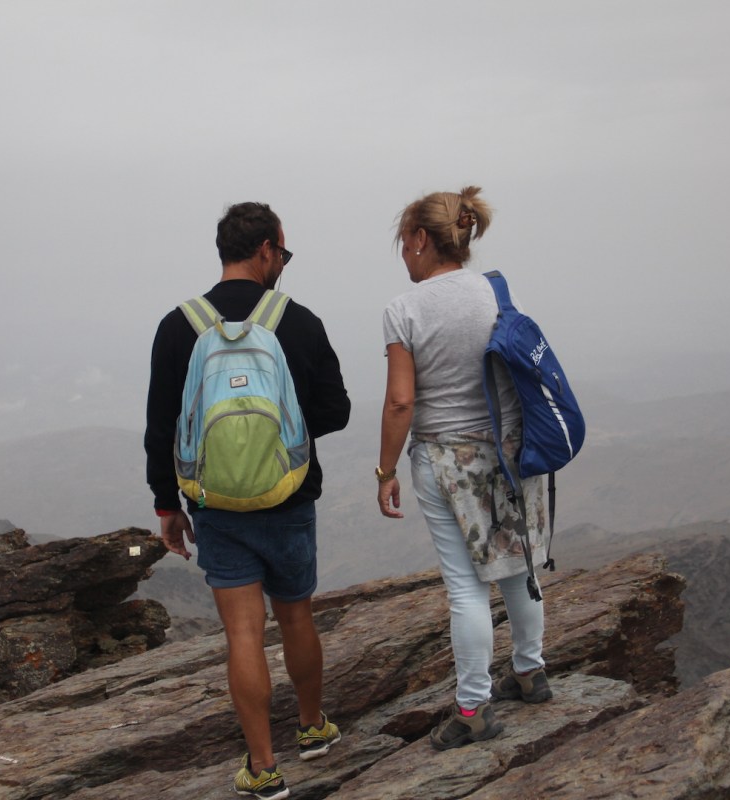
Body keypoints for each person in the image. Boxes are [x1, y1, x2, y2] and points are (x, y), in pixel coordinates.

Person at [145, 202, 351, 800]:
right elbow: (335, 411)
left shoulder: (178, 326)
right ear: (265, 250)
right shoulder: (300, 322)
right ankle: (312, 728)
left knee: (243, 633)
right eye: (283, 253)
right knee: (296, 616)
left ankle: (262, 768)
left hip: (216, 506)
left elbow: (162, 427)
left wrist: (166, 505)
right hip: (289, 498)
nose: (283, 263)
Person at [376, 186, 552, 751]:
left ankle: (473, 709)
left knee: (467, 588)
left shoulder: (404, 310)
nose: (403, 254)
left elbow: (401, 402)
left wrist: (384, 472)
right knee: (519, 566)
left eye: (404, 242)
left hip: (446, 460)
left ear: (420, 239)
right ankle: (530, 672)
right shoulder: (497, 292)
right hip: (512, 451)